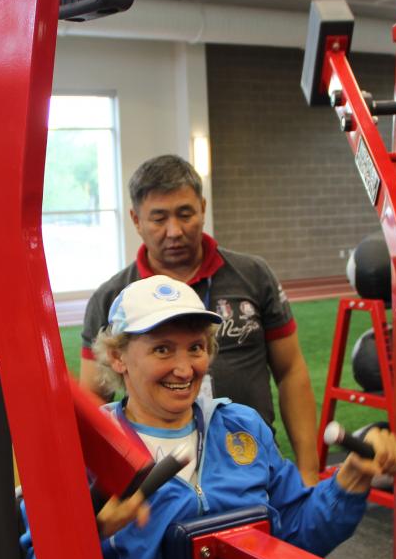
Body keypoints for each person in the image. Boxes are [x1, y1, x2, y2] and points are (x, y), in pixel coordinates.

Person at [24, 275, 396, 559]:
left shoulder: (240, 427)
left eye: (196, 347)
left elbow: (294, 537)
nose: (185, 368)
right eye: (162, 349)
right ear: (117, 356)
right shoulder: (81, 451)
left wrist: (351, 481)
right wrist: (93, 532)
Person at [80, 155, 324, 486]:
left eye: (185, 214)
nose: (174, 231)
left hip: (249, 465)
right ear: (136, 220)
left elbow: (291, 371)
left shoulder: (253, 276)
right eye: (158, 218)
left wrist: (309, 471)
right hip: (157, 482)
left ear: (203, 208)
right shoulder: (112, 298)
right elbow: (94, 399)